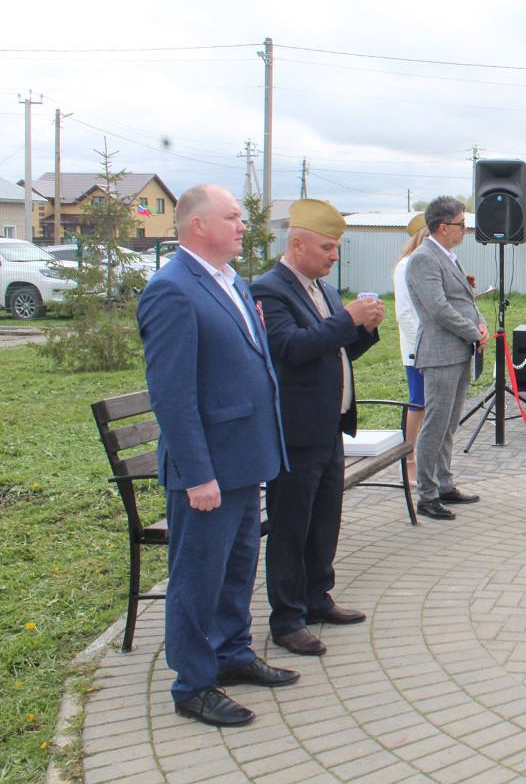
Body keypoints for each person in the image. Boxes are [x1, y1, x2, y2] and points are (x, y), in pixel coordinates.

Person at [137, 184, 297, 728]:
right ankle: (193, 685)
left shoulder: (229, 280)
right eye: (231, 217)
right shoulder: (172, 290)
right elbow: (172, 394)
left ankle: (231, 653)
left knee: (236, 568)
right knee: (197, 579)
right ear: (198, 225)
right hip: (208, 470)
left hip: (245, 459)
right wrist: (196, 474)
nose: (242, 225)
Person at [251, 200, 384, 657]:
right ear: (297, 244)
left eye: (336, 248)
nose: (334, 256)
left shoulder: (322, 289)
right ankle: (287, 618)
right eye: (327, 247)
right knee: (292, 526)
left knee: (325, 519)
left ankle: (316, 597)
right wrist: (347, 320)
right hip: (297, 430)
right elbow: (290, 348)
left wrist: (363, 329)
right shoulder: (269, 290)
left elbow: (335, 349)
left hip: (329, 426)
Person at [405, 196, 489, 521]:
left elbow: (463, 299)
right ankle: (427, 494)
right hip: (440, 353)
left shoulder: (447, 256)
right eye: (460, 224)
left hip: (459, 350)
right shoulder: (423, 259)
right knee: (436, 424)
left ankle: (444, 482)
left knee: (449, 424)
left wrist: (479, 324)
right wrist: (473, 331)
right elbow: (439, 309)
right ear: (442, 227)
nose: (464, 230)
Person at [394, 213, 429, 480]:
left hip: (432, 344)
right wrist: (421, 347)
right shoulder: (405, 265)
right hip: (418, 346)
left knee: (427, 403)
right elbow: (405, 312)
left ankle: (422, 455)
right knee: (417, 402)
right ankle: (408, 457)